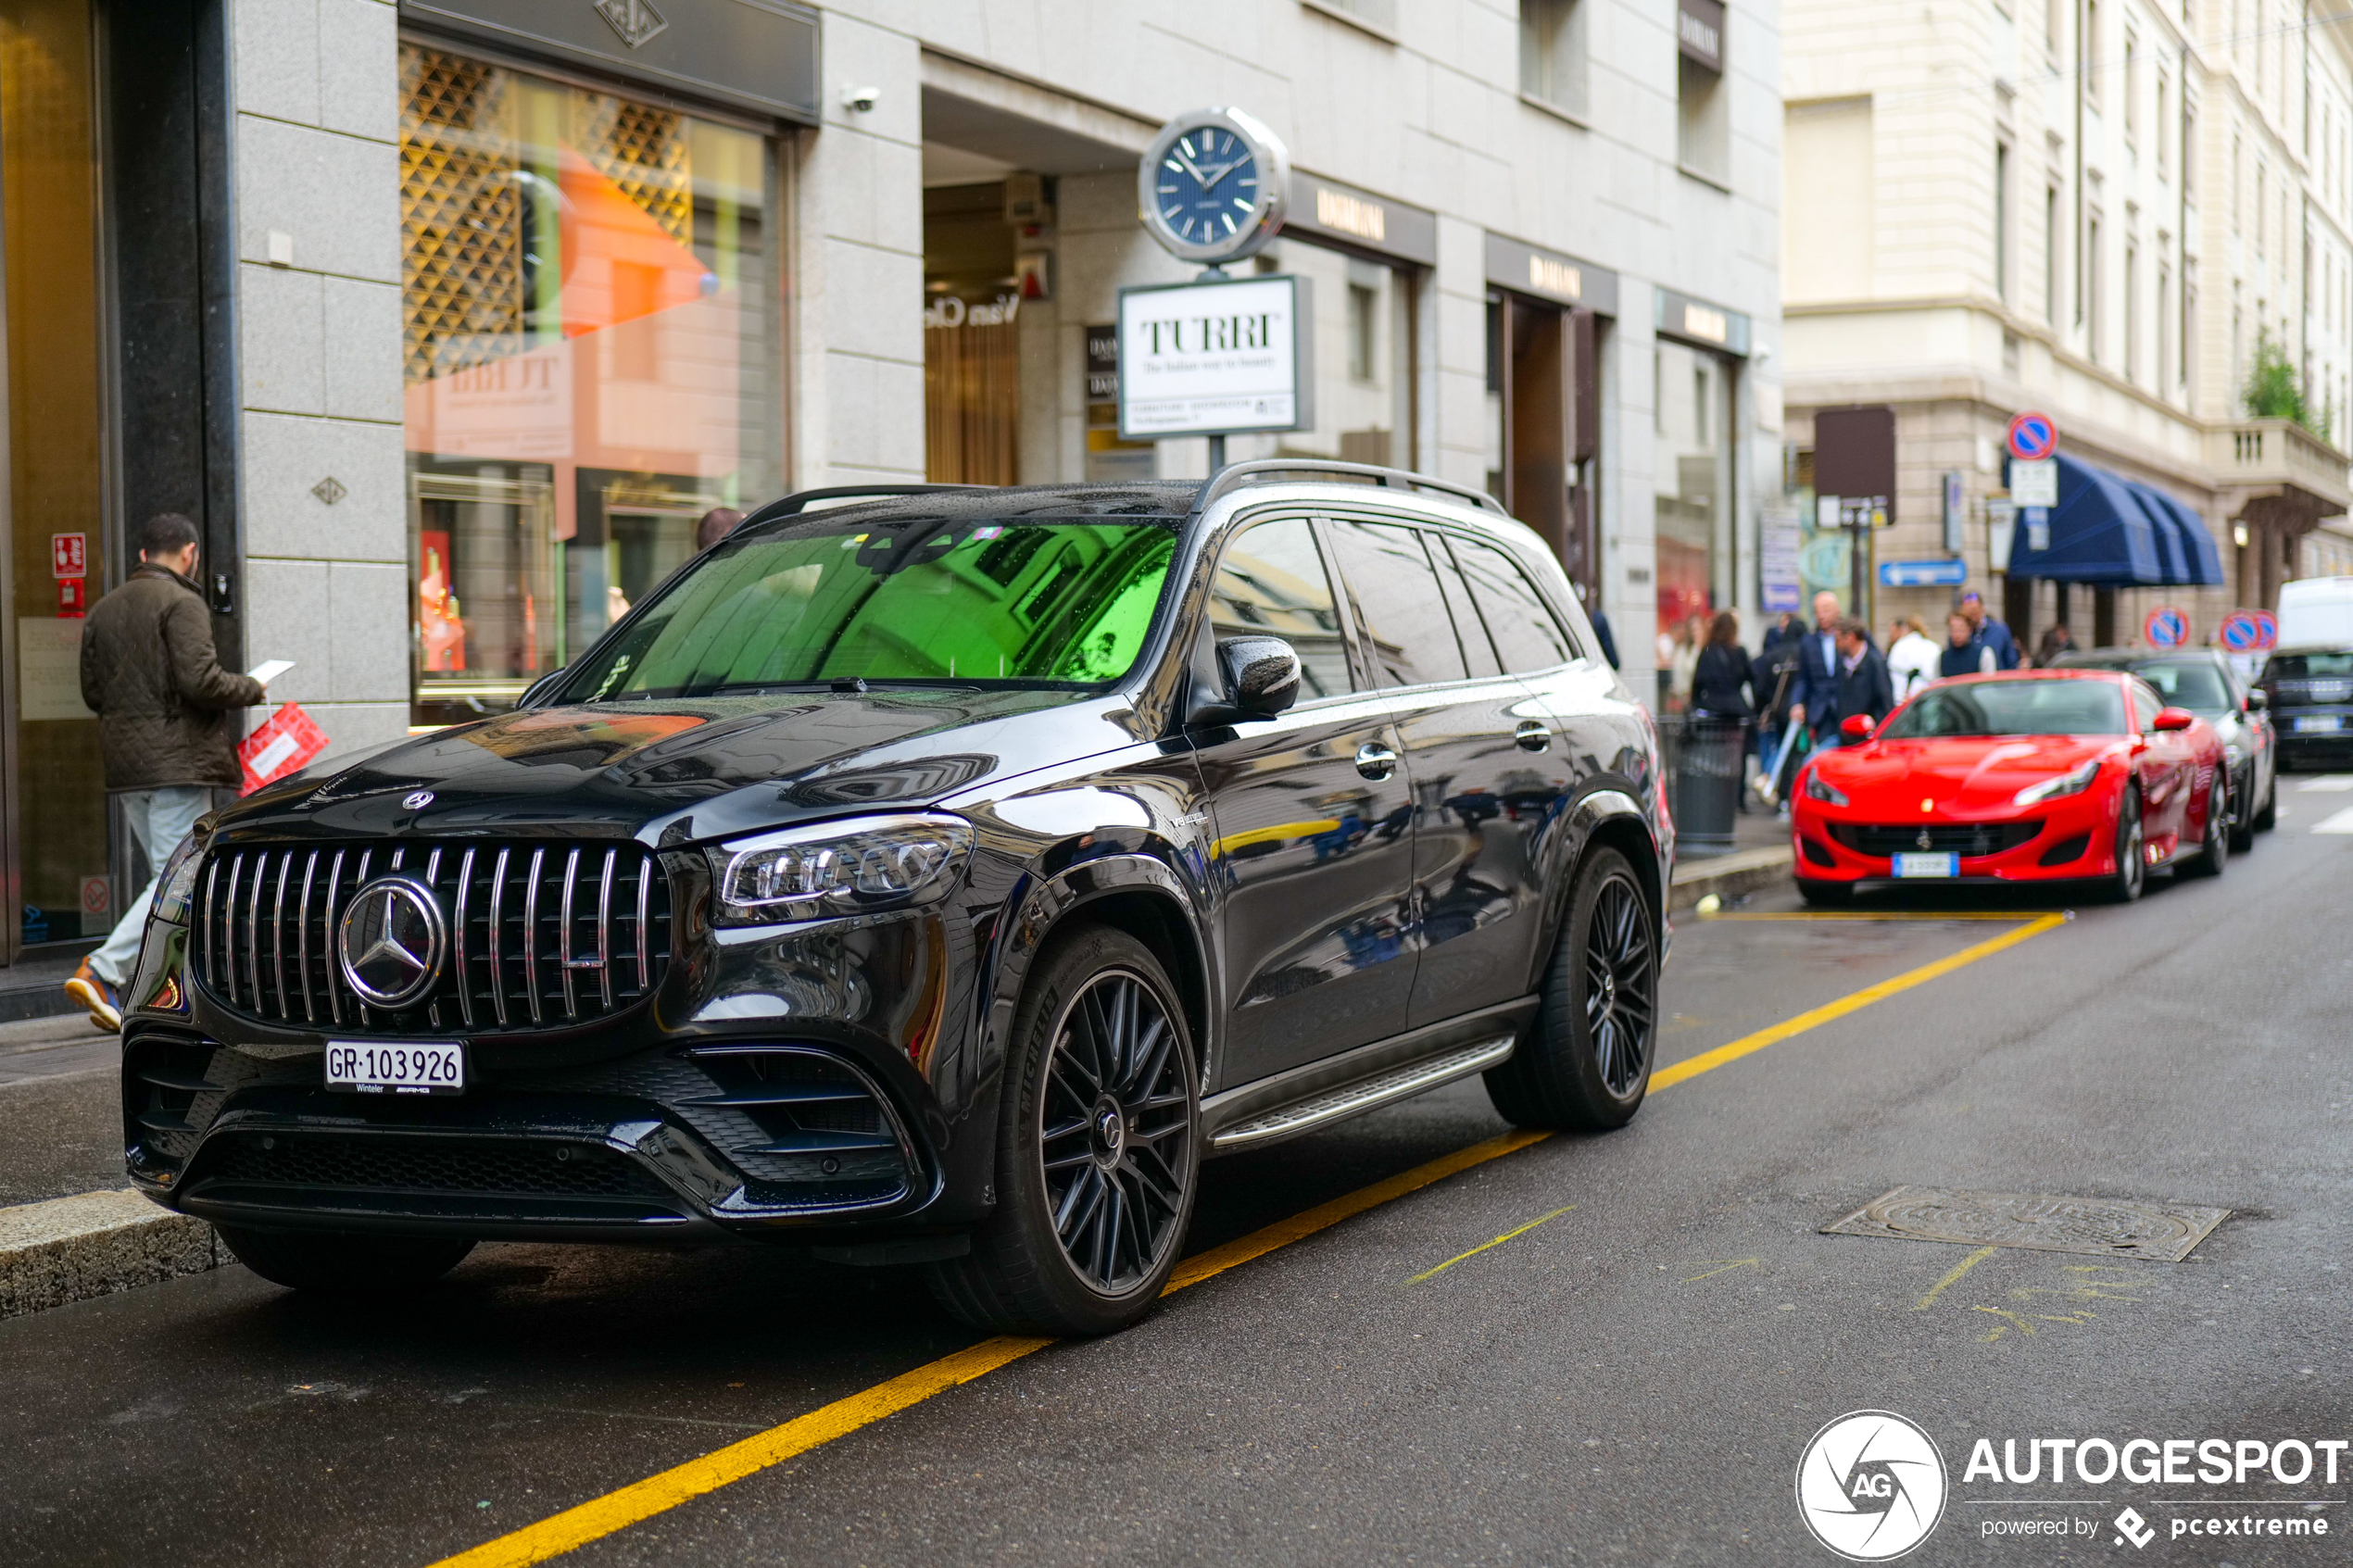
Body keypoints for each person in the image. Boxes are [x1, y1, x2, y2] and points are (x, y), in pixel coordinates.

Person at [66, 513, 268, 1030]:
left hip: (129, 766)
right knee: (177, 877)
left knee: (168, 872)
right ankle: (104, 971)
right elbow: (202, 682)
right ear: (190, 554)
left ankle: (153, 990)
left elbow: (93, 694)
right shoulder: (183, 602)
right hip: (178, 760)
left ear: (141, 556)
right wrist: (251, 687)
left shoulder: (104, 609)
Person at [1788, 589, 1845, 742]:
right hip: (1820, 712)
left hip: (1846, 709)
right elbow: (1803, 678)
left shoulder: (1849, 637)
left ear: (1837, 610)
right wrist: (1797, 703)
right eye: (1817, 611)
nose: (1821, 615)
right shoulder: (1808, 642)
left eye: (1826, 609)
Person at [1832, 617, 1895, 741]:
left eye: (1838, 640)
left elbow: (1885, 703)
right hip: (1845, 738)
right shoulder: (1842, 665)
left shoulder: (1875, 664)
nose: (1836, 645)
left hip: (1867, 740)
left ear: (1850, 638)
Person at [1959, 588, 2020, 669]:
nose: (1972, 617)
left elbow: (2011, 663)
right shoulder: (1959, 636)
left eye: (1974, 612)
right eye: (1968, 614)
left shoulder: (2000, 631)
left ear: (1982, 609)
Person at [1887, 614, 1940, 700]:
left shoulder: (1899, 646)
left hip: (1905, 699)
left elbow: (1893, 675)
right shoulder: (1934, 647)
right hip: (1931, 696)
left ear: (1906, 628)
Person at [1939, 609, 1997, 677]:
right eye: (1953, 630)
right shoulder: (1943, 657)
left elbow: (1988, 683)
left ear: (1969, 629)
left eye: (1961, 630)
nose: (1957, 634)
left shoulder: (1984, 654)